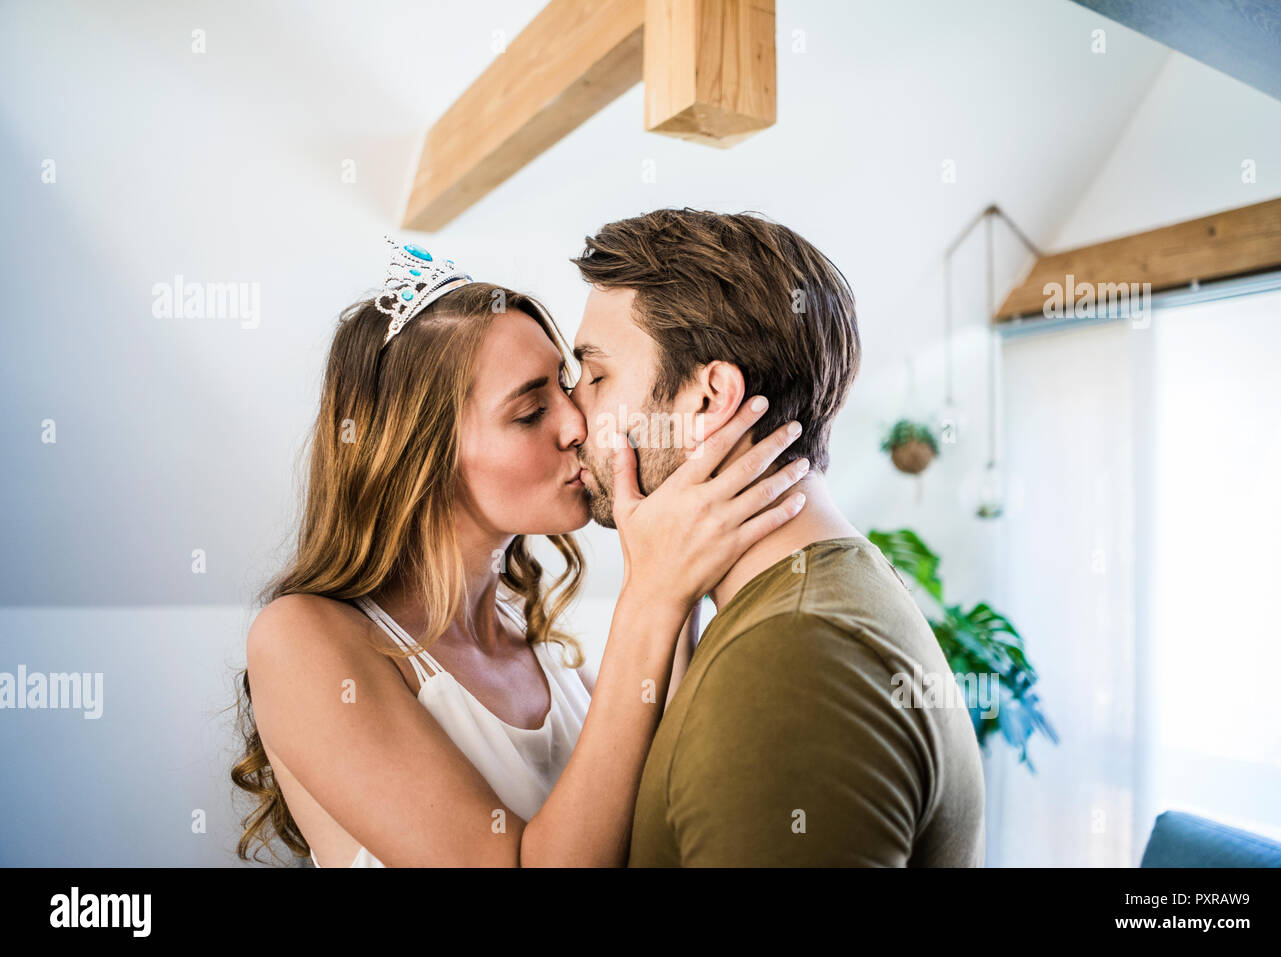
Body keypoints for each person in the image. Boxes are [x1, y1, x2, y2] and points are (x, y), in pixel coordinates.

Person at [229, 239, 808, 867]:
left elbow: (663, 809)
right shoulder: (302, 639)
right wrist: (654, 594)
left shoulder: (547, 657)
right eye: (531, 412)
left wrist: (683, 566)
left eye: (568, 386)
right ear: (420, 453)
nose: (578, 424)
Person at [566, 208, 987, 866]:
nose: (572, 416)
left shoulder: (792, 662)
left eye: (596, 377)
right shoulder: (810, 604)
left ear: (708, 399)